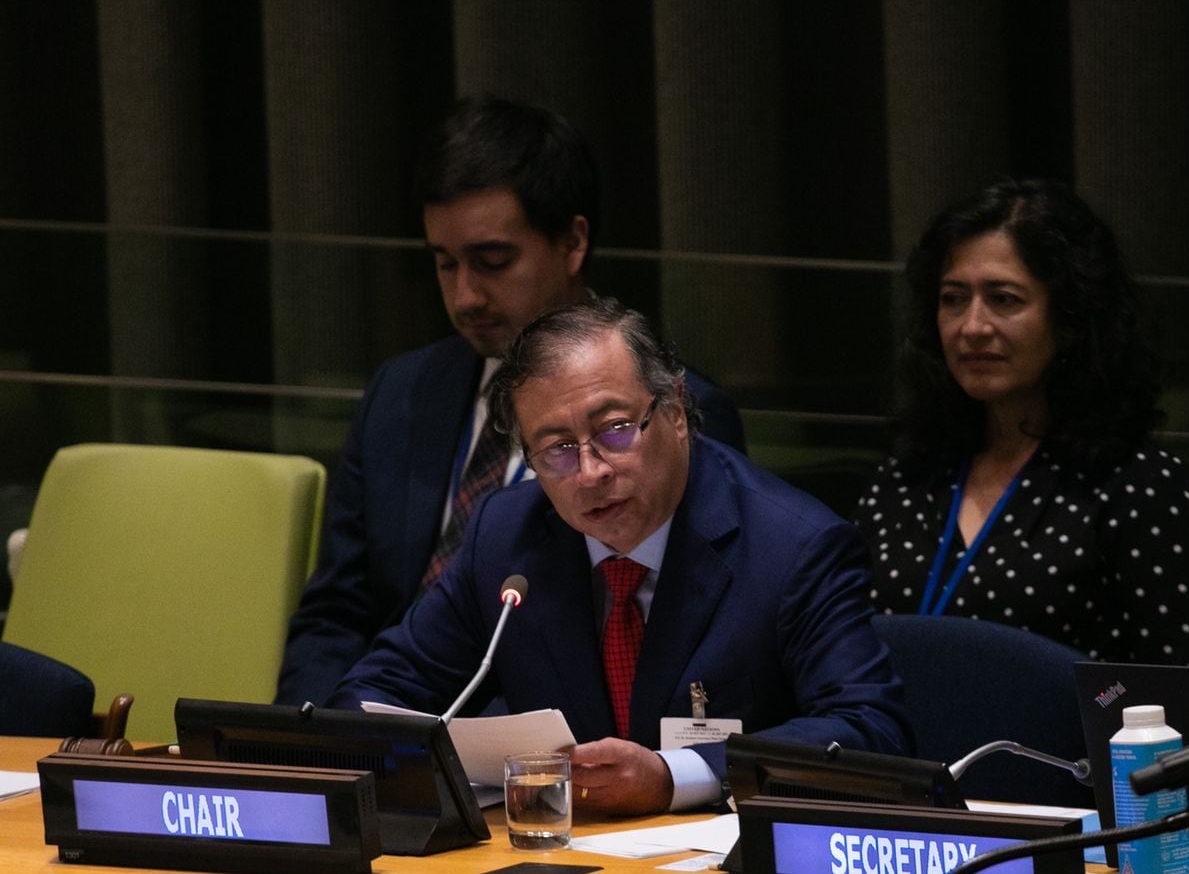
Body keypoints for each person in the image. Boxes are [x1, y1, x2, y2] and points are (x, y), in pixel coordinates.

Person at [328, 298, 909, 813]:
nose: (590, 473)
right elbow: (379, 691)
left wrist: (673, 775)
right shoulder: (506, 536)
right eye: (556, 449)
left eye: (615, 429)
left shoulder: (795, 547)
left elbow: (869, 729)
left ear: (677, 411)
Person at [276, 97, 745, 707]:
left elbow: (678, 642)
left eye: (493, 261)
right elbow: (337, 614)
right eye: (445, 265)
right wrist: (314, 741)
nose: (466, 295)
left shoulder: (668, 411)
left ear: (573, 242)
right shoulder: (401, 393)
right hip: (389, 728)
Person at [854, 177, 1189, 664]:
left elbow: (1178, 696)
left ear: (1071, 318)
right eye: (953, 298)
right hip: (891, 741)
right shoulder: (903, 480)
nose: (972, 326)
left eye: (1003, 299)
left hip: (1064, 742)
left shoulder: (1142, 489)